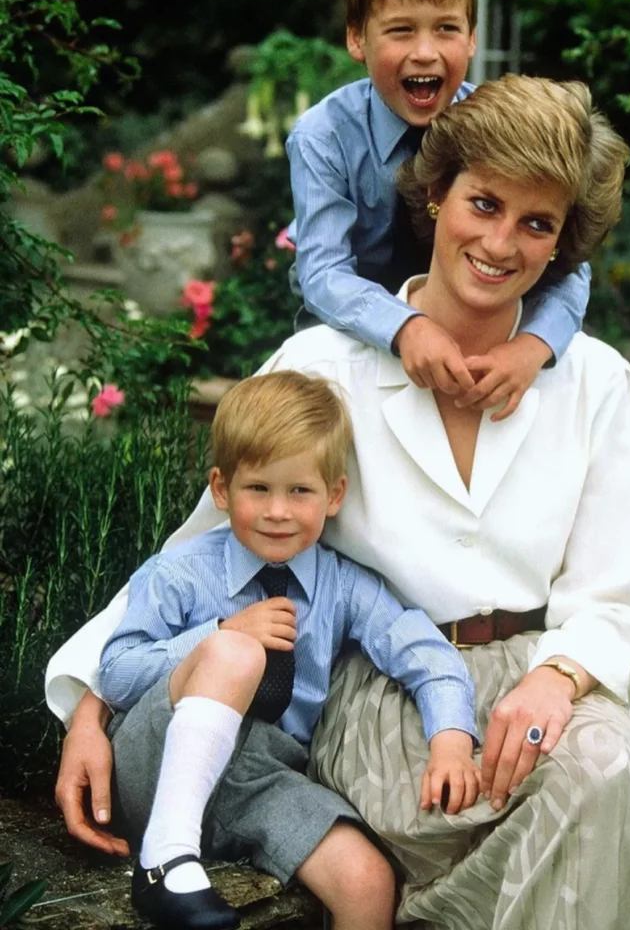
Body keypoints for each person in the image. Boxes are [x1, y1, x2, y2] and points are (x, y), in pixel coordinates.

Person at [47, 75, 630, 929]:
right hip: (385, 695)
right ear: (436, 195)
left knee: (603, 766)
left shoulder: (596, 382)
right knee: (563, 812)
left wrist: (559, 678)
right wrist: (91, 709)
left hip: (539, 681)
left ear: (562, 244)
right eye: (484, 204)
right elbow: (207, 547)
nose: (501, 243)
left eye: (536, 224)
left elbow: (620, 592)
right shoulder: (323, 364)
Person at [95, 371, 480, 930]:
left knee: (368, 881)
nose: (278, 511)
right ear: (222, 490)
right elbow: (117, 674)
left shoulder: (343, 585)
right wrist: (220, 631)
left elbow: (423, 650)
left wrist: (450, 739)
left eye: (299, 491)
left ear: (334, 495)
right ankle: (164, 861)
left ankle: (183, 859)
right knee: (236, 655)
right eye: (259, 489)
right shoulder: (181, 572)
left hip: (258, 776)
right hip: (155, 760)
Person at [286, 0, 592, 422]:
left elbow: (570, 261)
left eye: (446, 29)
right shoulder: (323, 135)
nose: (425, 51)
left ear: (472, 39)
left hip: (475, 335)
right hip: (350, 333)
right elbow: (322, 273)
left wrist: (534, 346)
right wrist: (405, 326)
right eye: (401, 30)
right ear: (357, 39)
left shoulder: (495, 126)